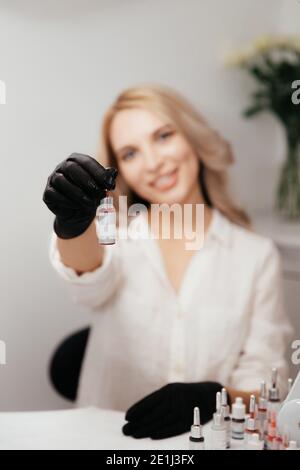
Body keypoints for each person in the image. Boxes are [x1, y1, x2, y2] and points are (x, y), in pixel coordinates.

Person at [43, 84, 293, 439]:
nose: (154, 162)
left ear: (191, 136)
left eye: (163, 136)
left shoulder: (256, 256)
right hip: (107, 440)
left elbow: (267, 384)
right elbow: (87, 279)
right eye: (130, 153)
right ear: (120, 171)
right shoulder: (117, 236)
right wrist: (73, 226)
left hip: (203, 440)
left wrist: (214, 396)